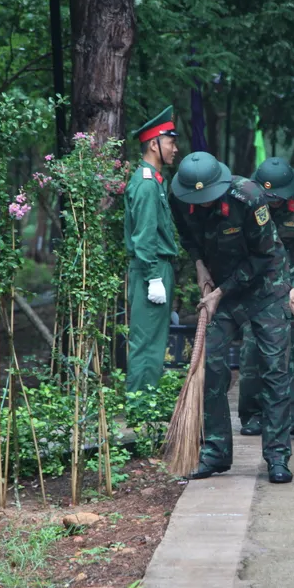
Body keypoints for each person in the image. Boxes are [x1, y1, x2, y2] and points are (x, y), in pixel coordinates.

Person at [170, 151, 294, 484]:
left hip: (266, 287)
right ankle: (216, 452)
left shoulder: (250, 198)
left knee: (274, 369)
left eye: (208, 198)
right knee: (210, 363)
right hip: (221, 286)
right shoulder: (179, 196)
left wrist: (221, 291)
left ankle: (277, 457)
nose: (203, 204)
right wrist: (200, 266)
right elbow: (188, 237)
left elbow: (263, 256)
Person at [238, 157, 294, 443]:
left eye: (278, 198)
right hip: (261, 280)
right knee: (253, 347)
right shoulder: (248, 201)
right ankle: (253, 414)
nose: (273, 202)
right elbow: (244, 248)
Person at [124, 105, 180, 394]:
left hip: (156, 267)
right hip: (152, 268)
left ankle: (146, 402)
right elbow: (144, 236)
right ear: (154, 145)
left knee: (154, 343)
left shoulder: (155, 182)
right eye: (171, 142)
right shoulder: (147, 185)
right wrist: (153, 277)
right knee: (146, 345)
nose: (175, 149)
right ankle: (140, 406)